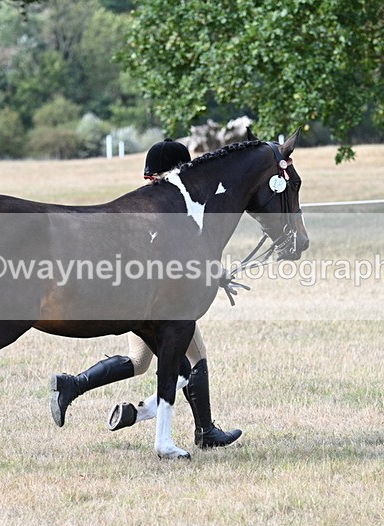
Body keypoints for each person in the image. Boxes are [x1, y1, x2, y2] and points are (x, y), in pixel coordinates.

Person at [49, 139, 242, 449]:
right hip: (164, 303)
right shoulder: (172, 208)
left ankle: (74, 385)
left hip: (145, 299)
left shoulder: (146, 204)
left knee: (139, 361)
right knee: (195, 360)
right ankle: (202, 431)